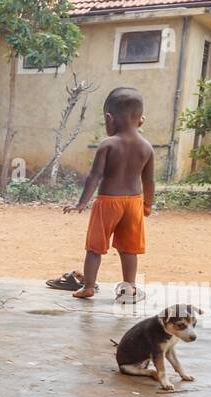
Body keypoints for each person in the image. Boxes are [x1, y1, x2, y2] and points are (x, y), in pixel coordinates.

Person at [56, 86, 155, 302]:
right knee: (129, 249)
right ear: (141, 120)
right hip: (134, 203)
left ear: (109, 118)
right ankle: (129, 289)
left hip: (108, 202)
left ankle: (89, 286)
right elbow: (149, 180)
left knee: (95, 248)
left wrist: (81, 203)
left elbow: (95, 176)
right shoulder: (147, 147)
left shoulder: (107, 145)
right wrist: (148, 204)